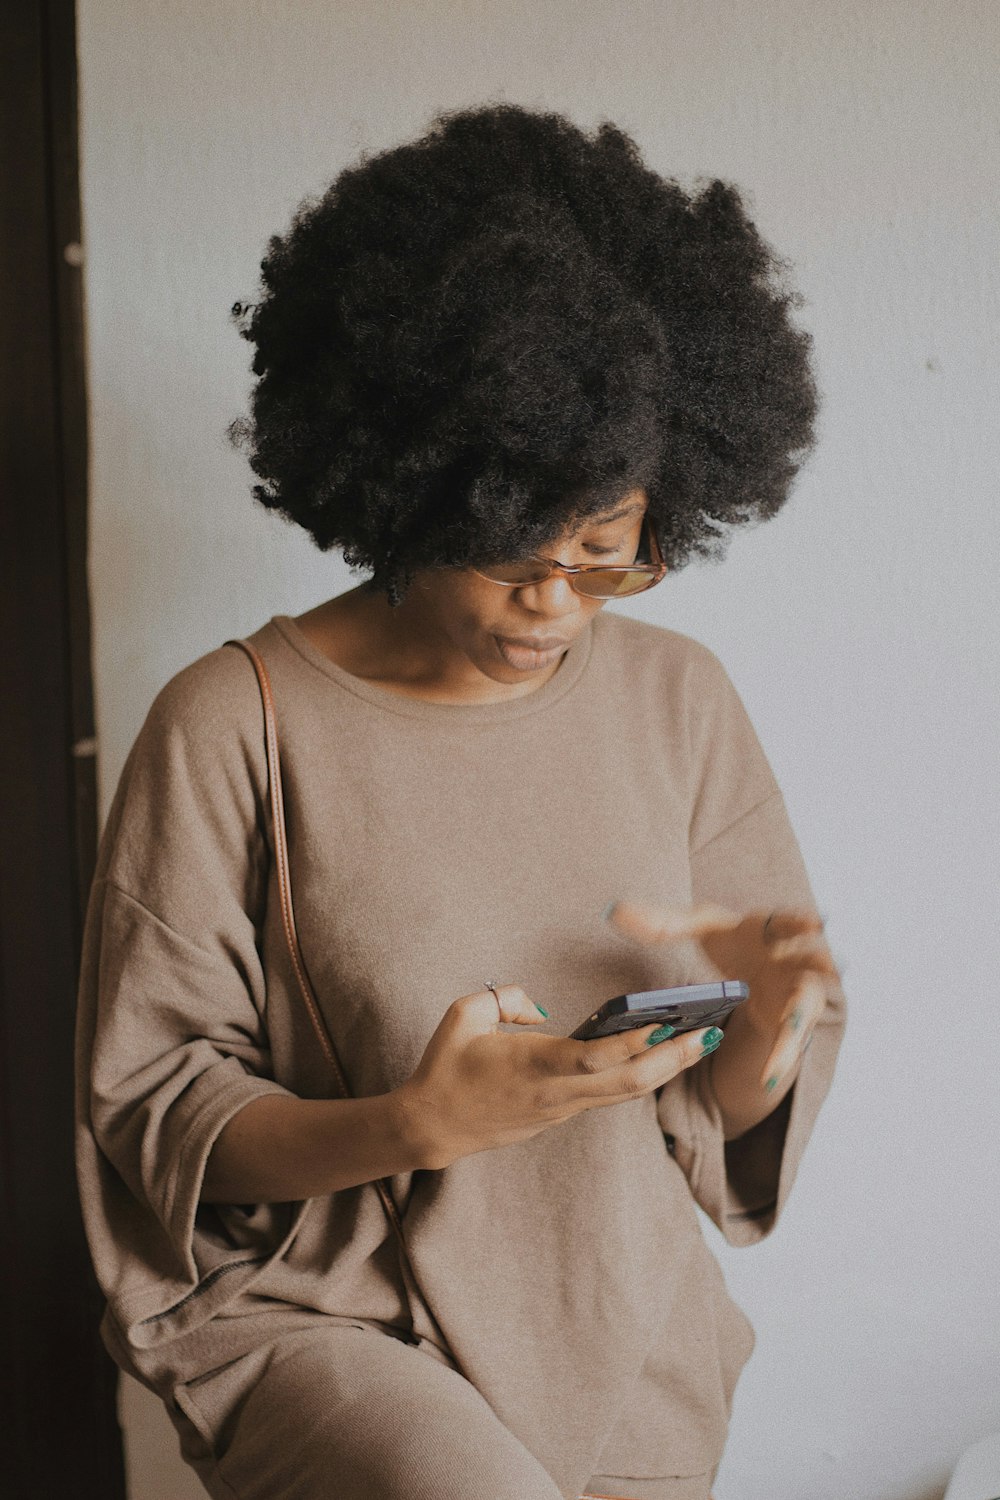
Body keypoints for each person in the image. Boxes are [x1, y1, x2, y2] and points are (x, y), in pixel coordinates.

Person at [74, 101, 846, 1500]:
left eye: (607, 557)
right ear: (416, 490)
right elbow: (155, 1108)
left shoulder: (681, 700)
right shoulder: (231, 721)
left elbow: (718, 1133)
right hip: (337, 1325)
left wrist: (770, 1037)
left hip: (623, 1320)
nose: (555, 604)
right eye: (509, 552)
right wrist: (420, 1123)